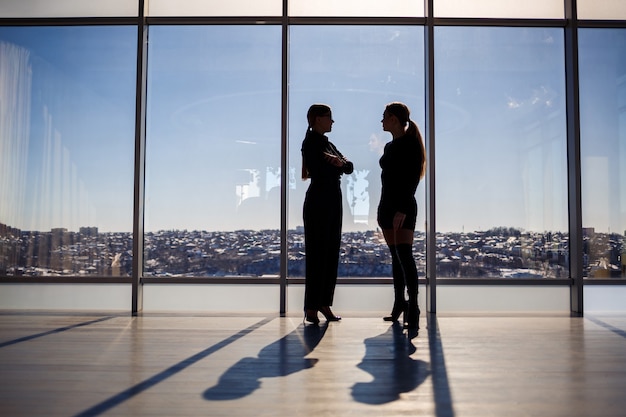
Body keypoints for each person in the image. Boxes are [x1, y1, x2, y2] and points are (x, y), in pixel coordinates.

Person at [301, 104, 354, 324]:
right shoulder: (311, 142)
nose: (332, 121)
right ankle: (313, 306)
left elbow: (349, 166)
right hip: (320, 199)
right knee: (317, 253)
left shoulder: (327, 144)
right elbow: (319, 170)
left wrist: (339, 163)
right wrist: (338, 165)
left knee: (331, 252)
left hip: (332, 198)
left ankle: (323, 304)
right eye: (329, 117)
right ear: (317, 119)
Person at [377, 102, 426, 330]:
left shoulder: (411, 145)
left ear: (394, 119)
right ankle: (399, 303)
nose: (382, 120)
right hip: (386, 207)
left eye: (384, 116)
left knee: (404, 255)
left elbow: (412, 180)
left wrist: (403, 209)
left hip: (403, 207)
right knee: (396, 257)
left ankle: (413, 306)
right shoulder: (389, 146)